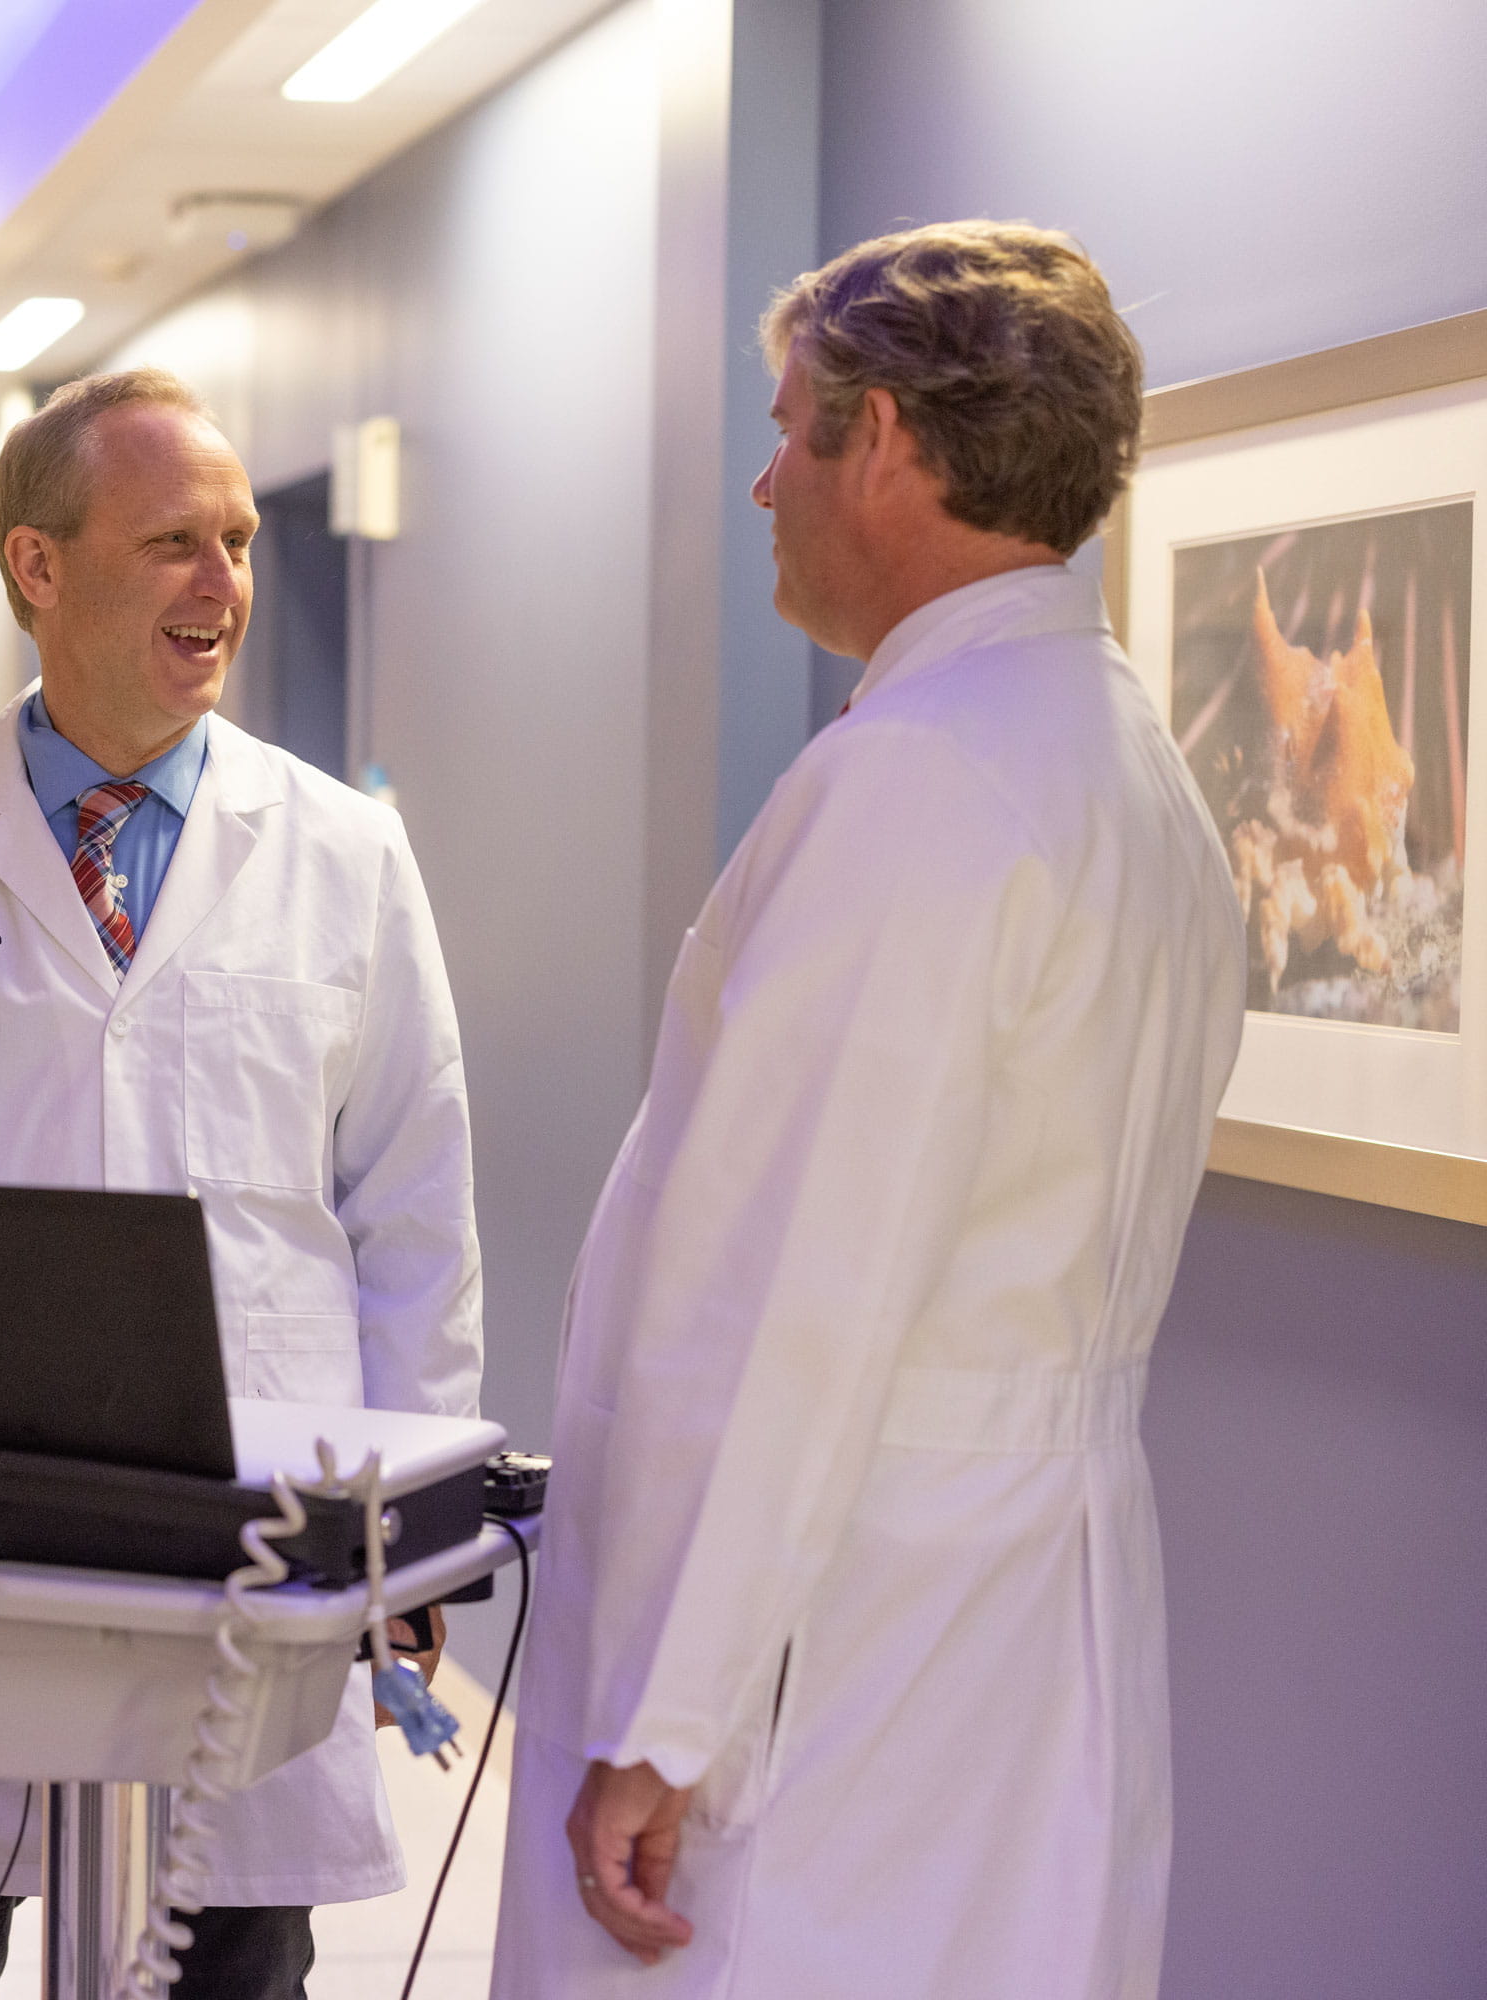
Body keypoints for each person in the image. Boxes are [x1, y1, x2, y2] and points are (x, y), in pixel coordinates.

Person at [488, 223, 1245, 1998]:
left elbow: (797, 1299)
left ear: (886, 440)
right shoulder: (1130, 768)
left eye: (789, 426)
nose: (762, 481)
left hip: (843, 1651)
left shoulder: (916, 782)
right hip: (1017, 1611)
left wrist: (668, 1723)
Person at [0, 367, 485, 1999]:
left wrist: (409, 1537)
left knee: (228, 1958)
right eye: (172, 543)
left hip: (257, 1522)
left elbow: (409, 1205)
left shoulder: (345, 852)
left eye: (234, 541)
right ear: (38, 569)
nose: (221, 581)